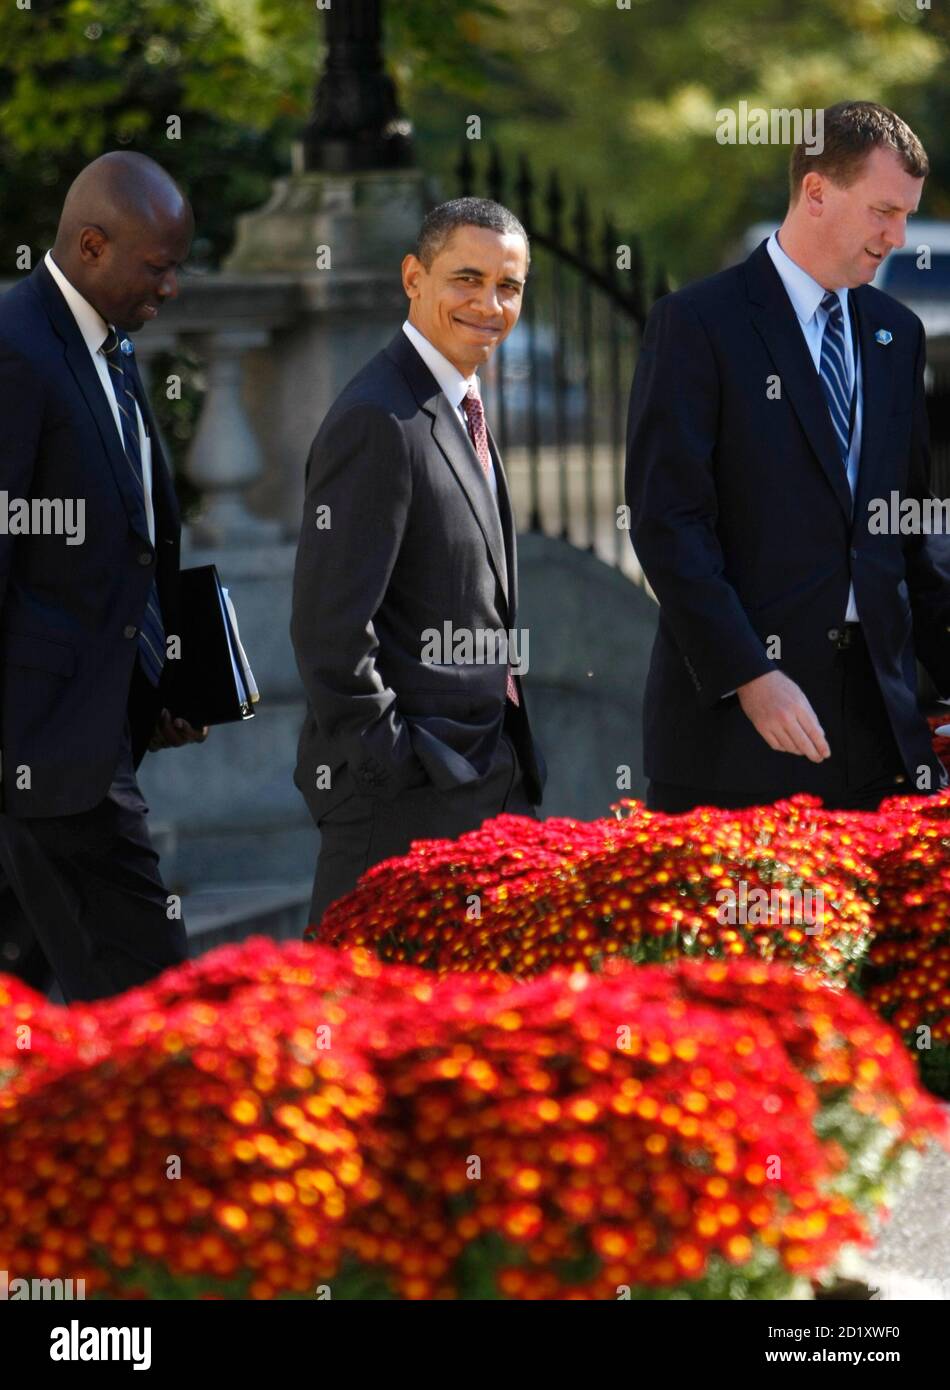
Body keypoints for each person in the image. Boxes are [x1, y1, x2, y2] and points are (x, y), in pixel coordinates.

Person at [626, 101, 950, 813]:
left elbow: (912, 534)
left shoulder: (897, 334)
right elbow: (667, 524)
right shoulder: (696, 324)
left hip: (878, 744)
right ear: (815, 192)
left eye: (906, 215)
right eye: (883, 212)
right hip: (733, 747)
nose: (898, 237)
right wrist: (750, 675)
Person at [292, 197, 547, 927]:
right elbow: (330, 632)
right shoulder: (378, 416)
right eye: (466, 279)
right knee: (360, 1027)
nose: (490, 304)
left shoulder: (460, 401)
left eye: (509, 286)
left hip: (488, 781)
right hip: (405, 804)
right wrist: (398, 766)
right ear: (414, 277)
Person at [0, 151, 208, 1001]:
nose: (171, 288)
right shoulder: (17, 353)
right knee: (152, 994)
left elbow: (131, 542)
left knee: (75, 1005)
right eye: (157, 268)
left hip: (95, 739)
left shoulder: (106, 347)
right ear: (92, 245)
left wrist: (169, 682)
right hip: (46, 758)